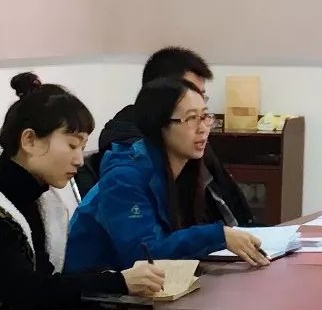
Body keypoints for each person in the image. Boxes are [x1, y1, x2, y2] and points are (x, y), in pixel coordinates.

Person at [0, 74, 164, 310]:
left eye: (82, 147)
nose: (79, 160)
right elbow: (25, 291)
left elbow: (48, 283)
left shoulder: (39, 201)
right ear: (29, 140)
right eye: (72, 145)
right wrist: (118, 282)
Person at [66, 77, 268, 271]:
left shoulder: (188, 167)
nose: (203, 128)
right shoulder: (125, 177)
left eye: (205, 117)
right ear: (160, 126)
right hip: (96, 285)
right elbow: (142, 254)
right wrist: (218, 236)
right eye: (191, 118)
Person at [94, 47, 254, 226]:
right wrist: (218, 236)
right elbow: (149, 239)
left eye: (202, 96)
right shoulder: (129, 156)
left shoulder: (188, 139)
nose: (202, 125)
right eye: (190, 91)